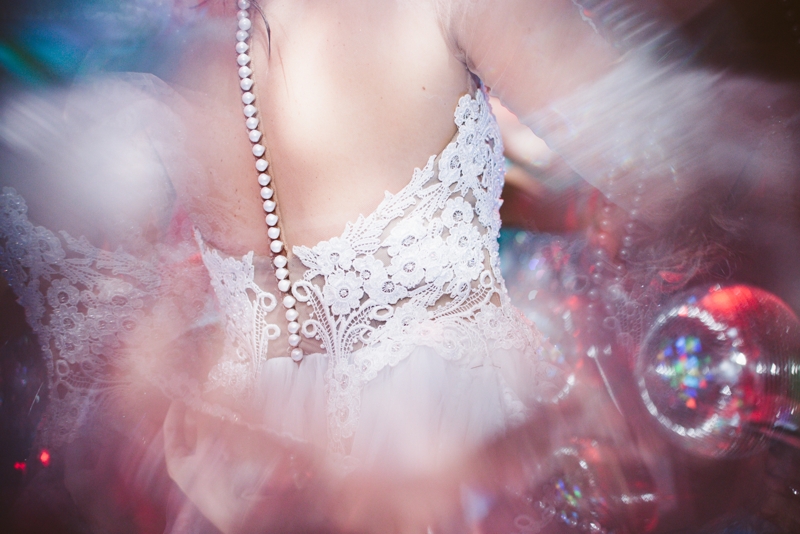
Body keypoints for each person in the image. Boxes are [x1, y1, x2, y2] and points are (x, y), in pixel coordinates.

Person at [1, 1, 796, 533]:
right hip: (461, 467)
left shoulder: (188, 65)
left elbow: (145, 367)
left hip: (251, 493)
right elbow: (678, 172)